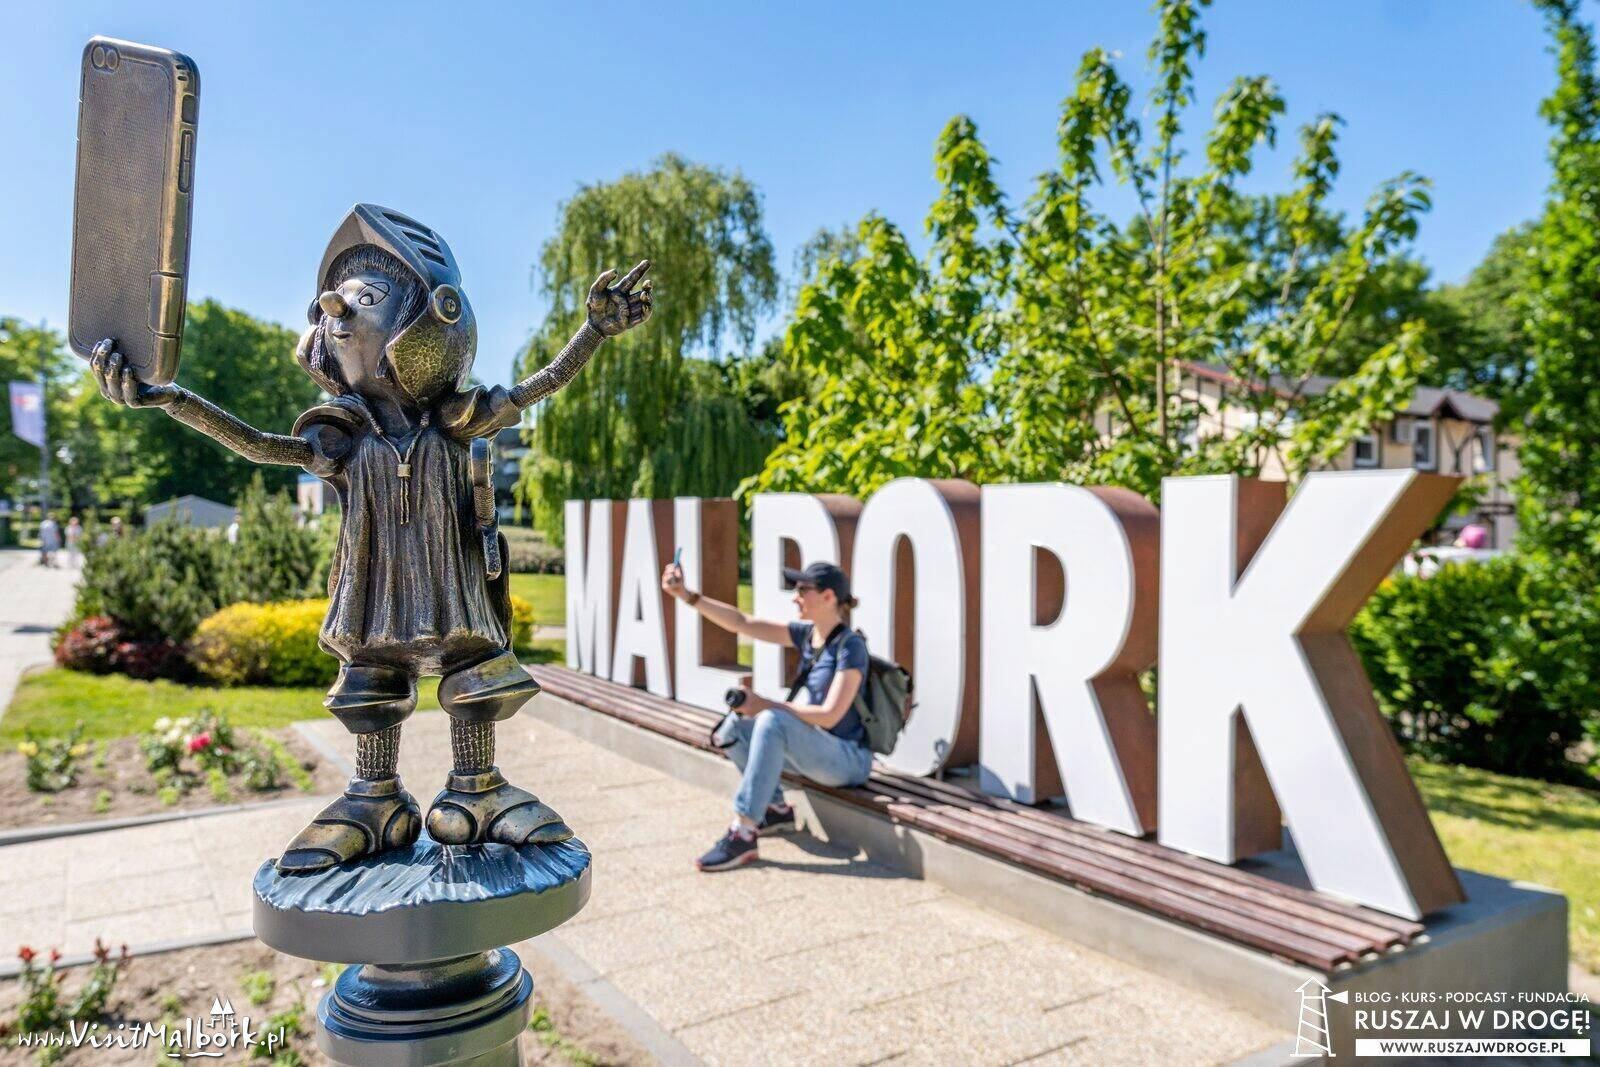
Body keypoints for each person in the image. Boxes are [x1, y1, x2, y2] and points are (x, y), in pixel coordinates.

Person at [89, 203, 654, 871]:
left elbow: (540, 386)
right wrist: (171, 398)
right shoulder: (341, 435)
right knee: (371, 683)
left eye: (367, 296)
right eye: (336, 303)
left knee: (475, 674)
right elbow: (256, 445)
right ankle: (374, 798)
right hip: (376, 590)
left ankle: (477, 788)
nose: (339, 310)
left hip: (453, 584)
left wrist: (591, 331)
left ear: (432, 319)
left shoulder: (456, 419)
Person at [662, 558, 874, 871]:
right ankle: (775, 808)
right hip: (817, 750)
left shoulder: (850, 646)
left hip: (848, 760)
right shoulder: (808, 636)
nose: (795, 596)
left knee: (772, 721)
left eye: (803, 589)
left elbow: (830, 716)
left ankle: (744, 832)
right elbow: (743, 623)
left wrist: (765, 705)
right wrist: (687, 595)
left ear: (829, 597)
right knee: (733, 727)